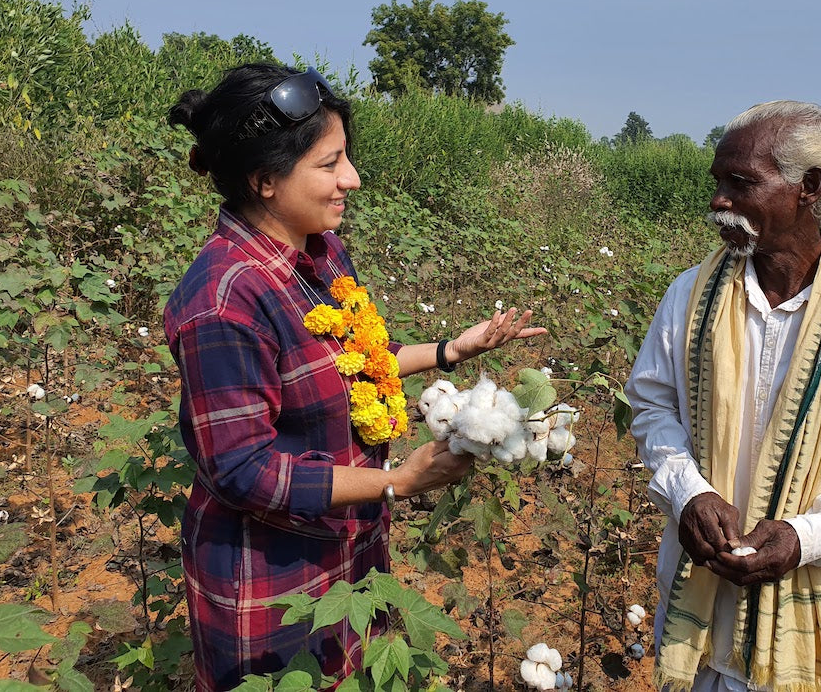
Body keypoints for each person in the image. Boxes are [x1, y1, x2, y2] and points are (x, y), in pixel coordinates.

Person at [164, 63, 545, 691]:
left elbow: (355, 362)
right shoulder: (223, 299)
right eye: (329, 164)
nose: (352, 179)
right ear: (264, 181)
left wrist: (453, 348)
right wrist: (398, 481)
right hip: (270, 576)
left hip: (347, 549)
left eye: (348, 157)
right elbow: (240, 469)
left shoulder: (319, 253)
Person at [626, 101, 821, 692]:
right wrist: (688, 493)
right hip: (700, 614)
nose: (719, 200)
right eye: (717, 182)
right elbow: (651, 406)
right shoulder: (689, 298)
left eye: (740, 183)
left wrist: (806, 537)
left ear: (808, 188)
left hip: (811, 620)